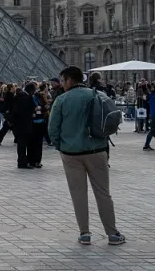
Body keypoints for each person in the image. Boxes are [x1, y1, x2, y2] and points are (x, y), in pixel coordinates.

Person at [48, 66, 125, 246]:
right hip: (97, 151)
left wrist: (62, 146)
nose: (62, 84)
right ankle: (113, 234)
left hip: (71, 153)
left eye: (62, 80)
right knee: (103, 193)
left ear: (69, 80)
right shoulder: (96, 94)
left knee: (78, 194)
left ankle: (84, 233)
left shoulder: (61, 100)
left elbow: (53, 129)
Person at [12, 82, 36, 169]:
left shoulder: (18, 96)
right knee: (23, 144)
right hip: (26, 124)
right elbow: (31, 109)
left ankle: (21, 160)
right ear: (31, 90)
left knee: (21, 144)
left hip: (18, 124)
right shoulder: (27, 98)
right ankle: (22, 162)